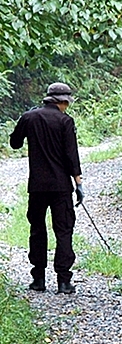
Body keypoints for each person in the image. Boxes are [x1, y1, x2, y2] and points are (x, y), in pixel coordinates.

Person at [9, 82, 84, 294]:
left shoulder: (29, 117)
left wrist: (24, 121)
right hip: (61, 188)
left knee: (37, 230)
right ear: (63, 101)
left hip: (37, 187)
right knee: (63, 231)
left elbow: (15, 143)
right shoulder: (65, 121)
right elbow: (72, 156)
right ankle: (63, 281)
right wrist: (78, 183)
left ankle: (38, 279)